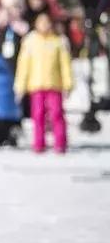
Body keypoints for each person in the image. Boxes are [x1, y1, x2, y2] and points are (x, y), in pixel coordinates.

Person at [14, 12, 73, 153]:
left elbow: (65, 65)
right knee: (38, 114)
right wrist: (20, 85)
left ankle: (60, 142)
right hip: (36, 85)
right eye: (41, 22)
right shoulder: (30, 41)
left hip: (54, 84)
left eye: (47, 22)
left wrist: (68, 83)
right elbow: (23, 65)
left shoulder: (58, 42)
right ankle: (39, 143)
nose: (44, 25)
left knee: (56, 113)